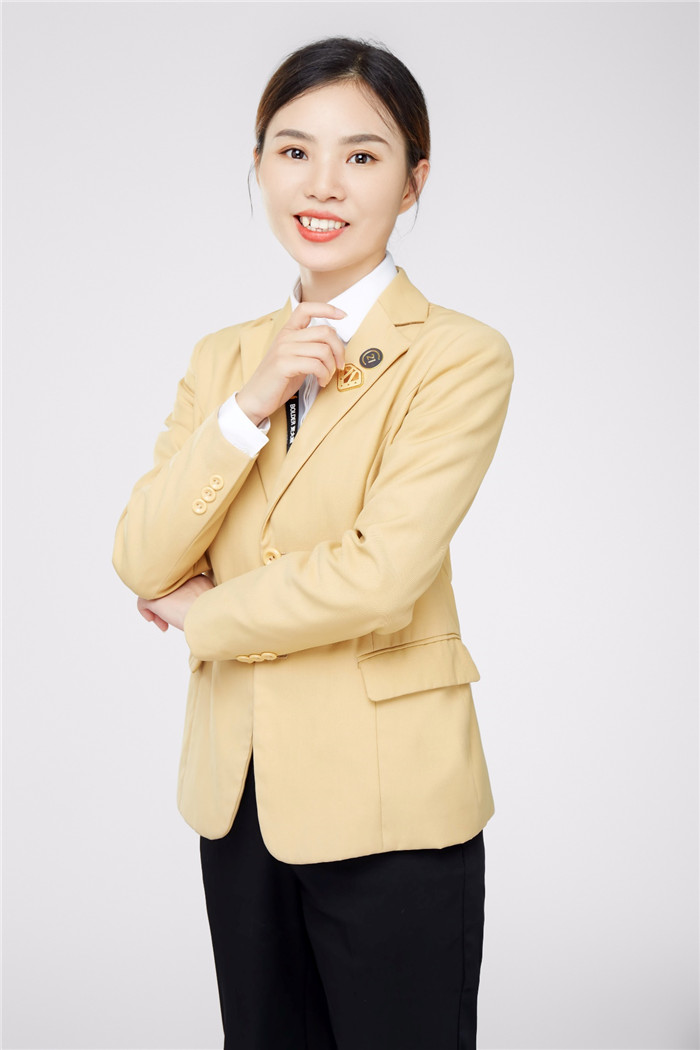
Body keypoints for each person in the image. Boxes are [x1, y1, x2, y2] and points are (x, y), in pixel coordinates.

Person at [113, 36, 514, 1050]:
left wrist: (205, 614)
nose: (322, 184)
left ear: (414, 180)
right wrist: (249, 404)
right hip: (240, 796)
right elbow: (141, 557)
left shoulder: (457, 356)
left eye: (362, 155)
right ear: (259, 165)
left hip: (392, 802)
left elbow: (380, 576)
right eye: (293, 151)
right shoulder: (223, 359)